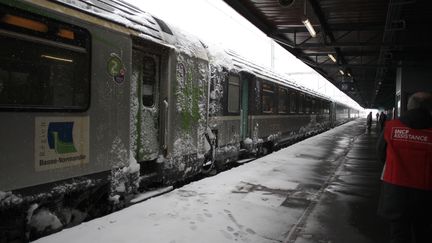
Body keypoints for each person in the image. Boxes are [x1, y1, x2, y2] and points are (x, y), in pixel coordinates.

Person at [376, 91, 432, 243]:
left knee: (399, 236)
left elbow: (381, 154)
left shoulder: (391, 127)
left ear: (408, 107)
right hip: (426, 197)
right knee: (424, 235)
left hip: (395, 194)